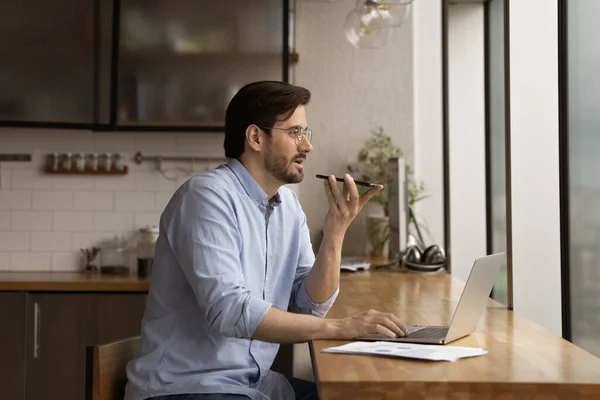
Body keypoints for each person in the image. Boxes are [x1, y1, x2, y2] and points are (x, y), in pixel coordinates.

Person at [124, 81, 408, 400]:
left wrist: (336, 231)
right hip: (186, 389)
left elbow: (308, 307)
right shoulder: (207, 197)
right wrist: (344, 328)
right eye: (295, 133)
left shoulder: (288, 208)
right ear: (256, 137)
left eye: (306, 134)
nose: (307, 146)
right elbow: (229, 311)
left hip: (254, 387)